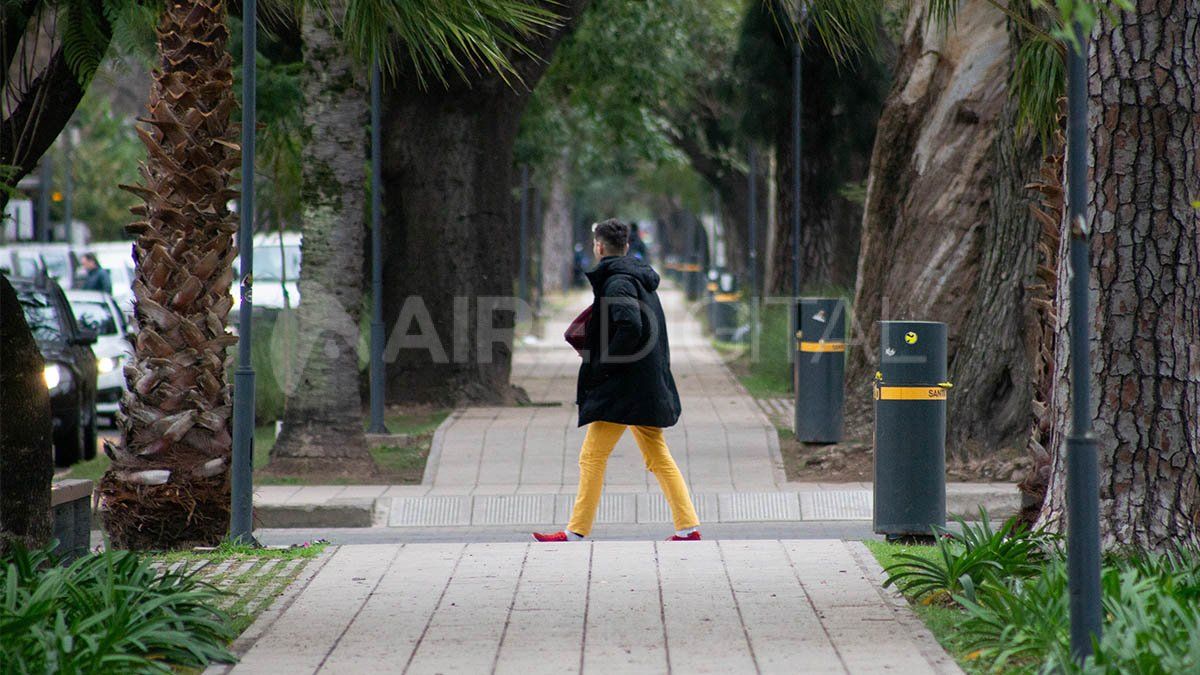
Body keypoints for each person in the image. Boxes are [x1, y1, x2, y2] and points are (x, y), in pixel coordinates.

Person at [534, 219, 701, 543]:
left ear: (598, 246)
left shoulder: (618, 283)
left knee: (592, 456)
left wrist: (604, 365)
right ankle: (688, 526)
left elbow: (630, 327)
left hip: (624, 388)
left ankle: (576, 530)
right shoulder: (637, 279)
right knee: (657, 455)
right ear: (625, 246)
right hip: (642, 384)